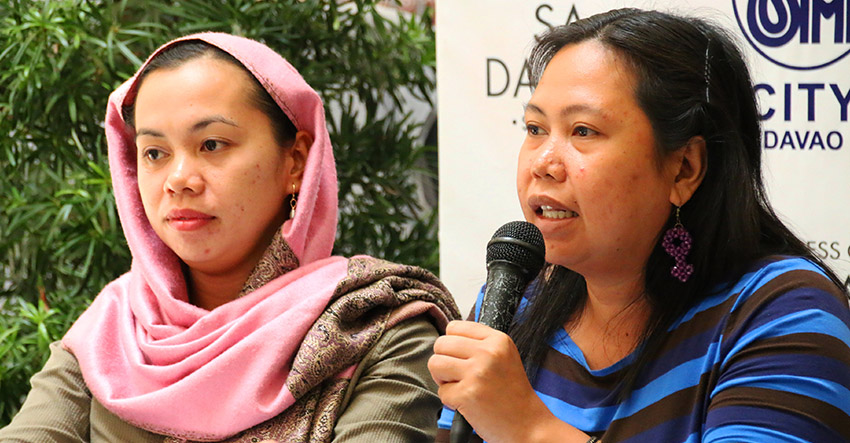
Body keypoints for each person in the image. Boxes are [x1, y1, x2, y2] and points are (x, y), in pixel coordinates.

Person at [0, 32, 459, 442]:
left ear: (296, 161)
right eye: (154, 153)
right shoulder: (114, 332)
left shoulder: (373, 322)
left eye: (212, 145)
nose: (178, 179)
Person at [429, 8, 850, 443]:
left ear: (685, 168)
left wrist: (529, 428)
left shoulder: (784, 312)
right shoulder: (515, 305)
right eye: (535, 128)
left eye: (583, 131)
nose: (543, 163)